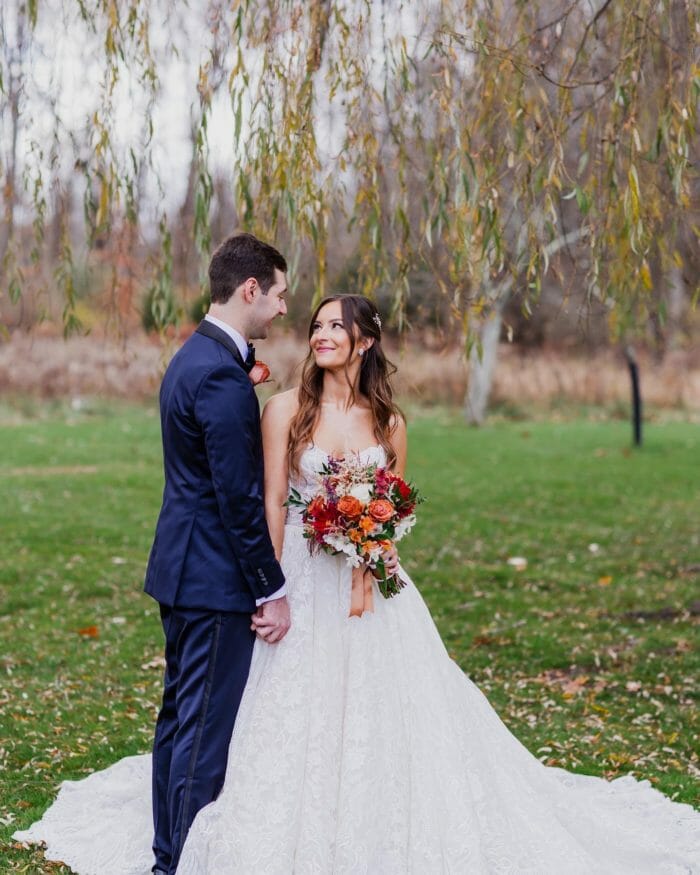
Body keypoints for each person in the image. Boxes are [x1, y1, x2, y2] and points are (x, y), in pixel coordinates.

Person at [13, 295, 700, 873]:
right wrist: (269, 587)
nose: (320, 335)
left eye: (334, 327)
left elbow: (394, 504)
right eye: (315, 325)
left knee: (391, 706)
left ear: (365, 341)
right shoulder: (285, 410)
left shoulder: (391, 422)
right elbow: (272, 502)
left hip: (371, 582)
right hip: (302, 575)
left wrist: (371, 543)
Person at [143, 231, 291, 874]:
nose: (283, 308)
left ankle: (166, 852)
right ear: (250, 289)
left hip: (182, 569)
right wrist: (270, 587)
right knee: (202, 736)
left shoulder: (196, 357)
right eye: (279, 295)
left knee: (179, 723)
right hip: (213, 581)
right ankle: (177, 864)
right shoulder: (220, 378)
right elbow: (238, 498)